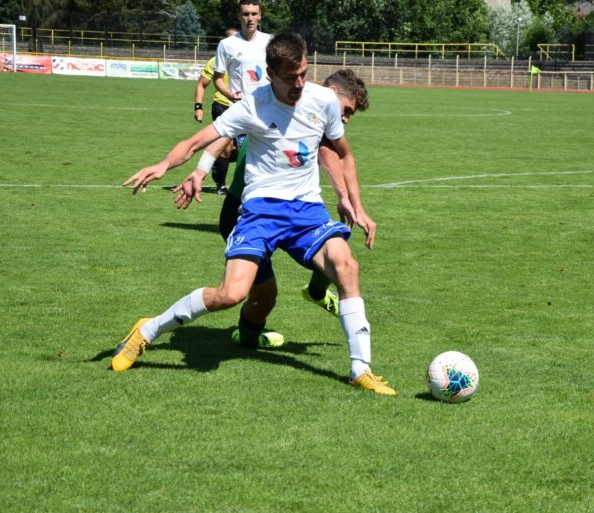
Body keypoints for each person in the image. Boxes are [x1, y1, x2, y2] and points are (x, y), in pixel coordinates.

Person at [114, 33, 396, 395]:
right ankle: (146, 331)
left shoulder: (324, 100)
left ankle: (360, 369)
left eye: (304, 74)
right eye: (290, 77)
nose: (298, 84)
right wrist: (164, 165)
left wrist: (355, 206)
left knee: (347, 265)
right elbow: (199, 141)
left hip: (307, 212)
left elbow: (343, 153)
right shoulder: (252, 105)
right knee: (231, 294)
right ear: (271, 73)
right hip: (260, 212)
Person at [179, 69, 372, 351]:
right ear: (332, 94)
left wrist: (347, 199)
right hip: (244, 213)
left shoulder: (317, 115)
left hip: (289, 211)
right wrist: (201, 169)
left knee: (337, 240)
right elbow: (225, 130)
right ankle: (246, 336)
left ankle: (317, 292)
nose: (344, 118)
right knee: (264, 296)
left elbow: (330, 154)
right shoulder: (280, 103)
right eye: (346, 110)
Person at [193, 25, 239, 195]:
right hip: (222, 107)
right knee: (226, 146)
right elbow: (201, 84)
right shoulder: (215, 62)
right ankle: (221, 184)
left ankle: (215, 161)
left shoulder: (248, 58)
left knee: (243, 149)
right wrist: (198, 107)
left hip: (244, 108)